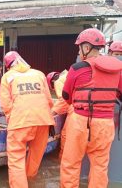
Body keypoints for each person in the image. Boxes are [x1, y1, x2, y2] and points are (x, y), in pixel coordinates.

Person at [60, 28, 122, 188]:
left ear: (86, 47)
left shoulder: (78, 68)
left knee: (71, 164)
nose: (79, 51)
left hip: (80, 121)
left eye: (79, 47)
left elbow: (66, 96)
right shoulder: (118, 69)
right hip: (105, 124)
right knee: (100, 166)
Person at [0, 51, 55, 188]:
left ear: (8, 66)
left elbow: (6, 105)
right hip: (43, 121)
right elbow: (49, 100)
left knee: (16, 160)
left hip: (19, 123)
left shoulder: (7, 77)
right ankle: (31, 180)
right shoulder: (39, 74)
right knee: (35, 157)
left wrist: (11, 121)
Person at [47, 70, 73, 160]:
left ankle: (63, 160)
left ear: (52, 82)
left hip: (76, 110)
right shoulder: (67, 75)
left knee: (66, 135)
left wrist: (52, 113)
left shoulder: (58, 82)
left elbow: (63, 100)